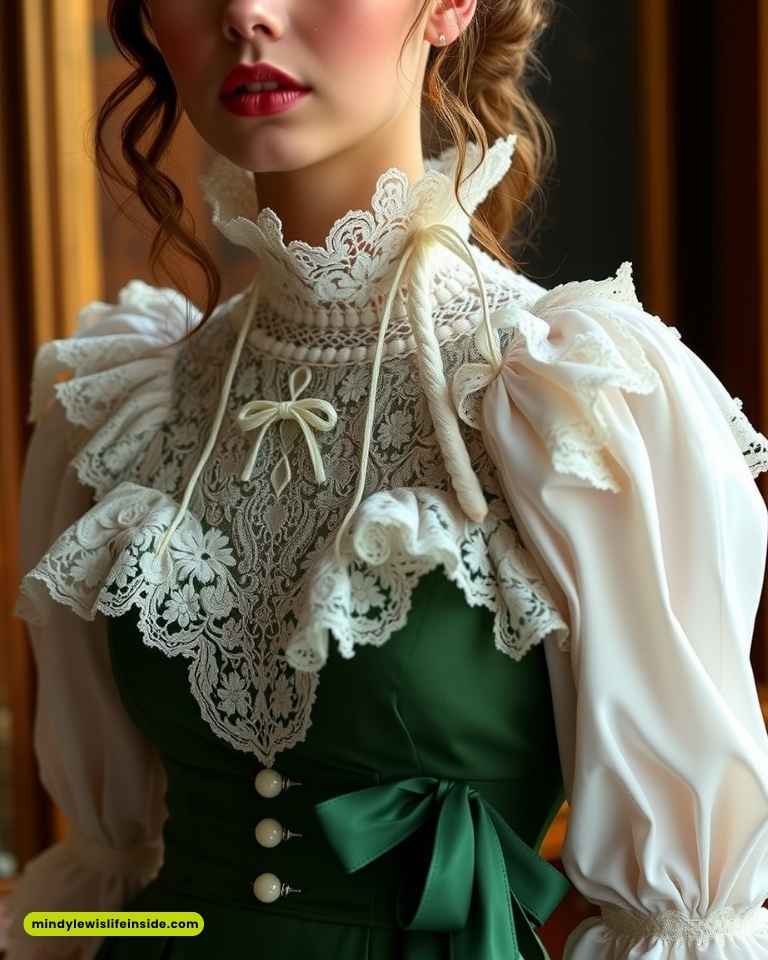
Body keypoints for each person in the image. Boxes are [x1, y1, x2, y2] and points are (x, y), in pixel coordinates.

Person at [6, 0, 768, 957]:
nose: (247, 12)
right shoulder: (122, 401)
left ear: (451, 6)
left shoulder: (574, 399)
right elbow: (112, 885)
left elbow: (688, 919)